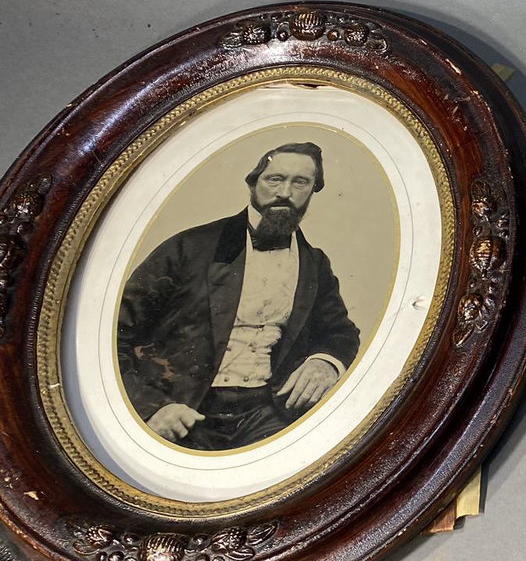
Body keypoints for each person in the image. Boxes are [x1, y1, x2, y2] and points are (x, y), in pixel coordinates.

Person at [117, 142, 361, 451]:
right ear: (253, 182)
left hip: (269, 412)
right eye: (275, 179)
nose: (285, 192)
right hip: (185, 410)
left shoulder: (314, 263)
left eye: (300, 182)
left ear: (313, 190)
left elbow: (340, 332)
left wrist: (325, 362)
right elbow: (112, 334)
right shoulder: (188, 248)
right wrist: (151, 407)